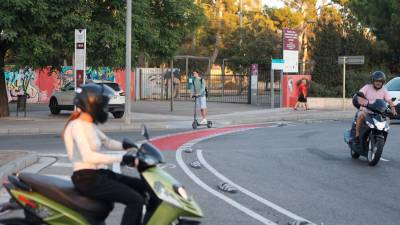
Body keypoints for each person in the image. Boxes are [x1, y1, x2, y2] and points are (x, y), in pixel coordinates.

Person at [63, 83, 146, 225]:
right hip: (86, 179)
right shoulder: (76, 126)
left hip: (98, 174)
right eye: (103, 106)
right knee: (135, 200)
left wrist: (132, 147)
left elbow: (107, 142)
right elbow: (88, 157)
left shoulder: (89, 124)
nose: (105, 109)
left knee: (141, 186)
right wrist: (123, 159)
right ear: (92, 104)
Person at [354, 71, 397, 146]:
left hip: (379, 113)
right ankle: (357, 136)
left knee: (387, 121)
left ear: (383, 82)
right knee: (360, 116)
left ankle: (381, 138)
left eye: (380, 81)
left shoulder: (384, 90)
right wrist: (361, 101)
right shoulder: (367, 87)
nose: (378, 83)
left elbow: (389, 100)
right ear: (373, 81)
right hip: (367, 110)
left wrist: (393, 109)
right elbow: (359, 95)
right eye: (377, 81)